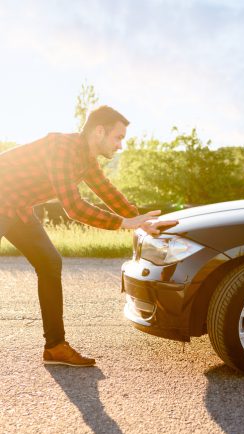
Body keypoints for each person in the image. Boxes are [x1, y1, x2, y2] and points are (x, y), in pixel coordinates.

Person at [0, 106, 177, 367]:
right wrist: (125, 223)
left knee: (49, 263)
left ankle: (55, 347)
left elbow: (107, 191)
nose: (120, 146)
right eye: (118, 138)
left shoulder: (86, 159)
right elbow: (73, 206)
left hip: (17, 207)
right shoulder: (62, 149)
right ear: (99, 131)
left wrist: (141, 221)